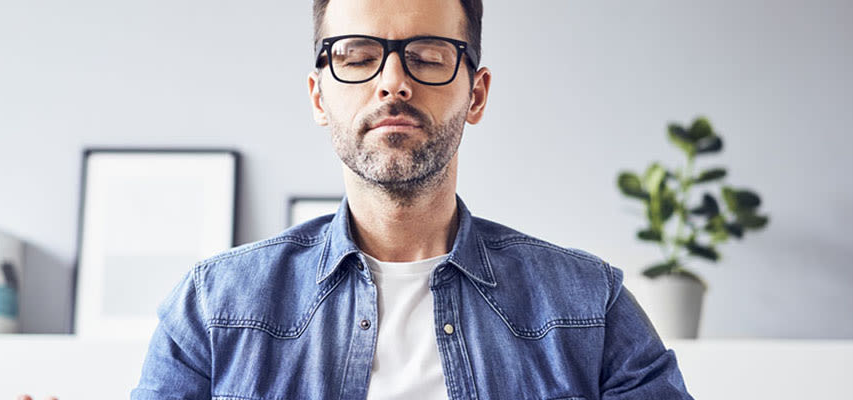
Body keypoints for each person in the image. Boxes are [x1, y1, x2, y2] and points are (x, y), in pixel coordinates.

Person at [129, 0, 693, 399]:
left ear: (476, 93)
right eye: (355, 55)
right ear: (318, 96)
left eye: (426, 56)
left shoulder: (590, 307)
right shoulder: (213, 308)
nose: (393, 82)